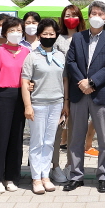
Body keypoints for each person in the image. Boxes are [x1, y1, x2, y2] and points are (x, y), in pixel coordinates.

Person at [64, 0, 105, 193]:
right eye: (93, 13)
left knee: (104, 139)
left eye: (100, 14)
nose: (96, 17)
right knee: (76, 137)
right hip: (79, 93)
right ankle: (76, 175)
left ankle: (104, 176)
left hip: (101, 93)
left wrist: (92, 82)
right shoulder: (78, 38)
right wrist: (82, 82)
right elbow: (70, 62)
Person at [21, 18, 67, 194]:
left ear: (56, 36)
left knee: (49, 141)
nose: (48, 36)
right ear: (39, 35)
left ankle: (45, 176)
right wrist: (28, 105)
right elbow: (25, 81)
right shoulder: (32, 56)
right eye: (45, 34)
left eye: (52, 34)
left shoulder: (60, 55)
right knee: (36, 142)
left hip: (56, 104)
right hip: (38, 104)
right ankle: (36, 178)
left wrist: (65, 103)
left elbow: (64, 80)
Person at [0, 16, 29, 193]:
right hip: (2, 95)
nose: (16, 34)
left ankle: (11, 177)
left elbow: (30, 76)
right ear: (4, 33)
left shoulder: (26, 52)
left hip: (21, 96)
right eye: (12, 31)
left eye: (19, 30)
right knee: (0, 138)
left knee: (16, 139)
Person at [49, 5, 85, 184]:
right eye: (67, 15)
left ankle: (72, 164)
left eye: (74, 15)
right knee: (58, 128)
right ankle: (55, 165)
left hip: (81, 88)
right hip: (58, 88)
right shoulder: (57, 39)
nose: (71, 18)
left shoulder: (85, 38)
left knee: (76, 131)